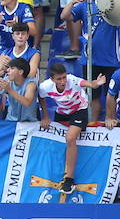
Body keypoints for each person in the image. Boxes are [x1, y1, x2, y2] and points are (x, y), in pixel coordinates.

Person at [38, 61, 108, 195]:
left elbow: (89, 84)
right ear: (52, 79)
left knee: (70, 138)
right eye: (59, 79)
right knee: (57, 141)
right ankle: (56, 173)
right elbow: (41, 98)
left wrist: (96, 83)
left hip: (79, 110)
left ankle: (69, 179)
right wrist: (45, 116)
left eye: (64, 77)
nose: (63, 81)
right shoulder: (45, 86)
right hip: (62, 112)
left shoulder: (72, 80)